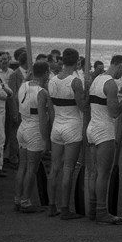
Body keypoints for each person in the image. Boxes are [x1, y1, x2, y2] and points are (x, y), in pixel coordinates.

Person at [86, 54, 122, 224]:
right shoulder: (110, 84)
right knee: (104, 173)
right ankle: (102, 211)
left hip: (92, 127)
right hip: (104, 129)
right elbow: (114, 112)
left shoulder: (96, 79)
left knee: (95, 172)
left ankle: (93, 207)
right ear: (118, 65)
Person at [47, 48, 86, 219]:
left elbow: (51, 105)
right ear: (77, 62)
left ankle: (51, 205)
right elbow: (82, 106)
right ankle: (64, 208)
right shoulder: (76, 81)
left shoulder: (52, 80)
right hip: (72, 125)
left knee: (55, 168)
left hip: (57, 125)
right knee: (68, 168)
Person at [14, 61, 52, 213]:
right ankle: (25, 201)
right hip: (34, 129)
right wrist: (46, 140)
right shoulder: (41, 92)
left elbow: (25, 82)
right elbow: (43, 119)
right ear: (45, 73)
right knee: (32, 168)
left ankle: (18, 199)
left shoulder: (24, 85)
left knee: (22, 166)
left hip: (23, 127)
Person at [6, 51, 29, 168]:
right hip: (18, 108)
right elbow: (11, 95)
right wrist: (14, 112)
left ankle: (22, 155)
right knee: (15, 133)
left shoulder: (30, 74)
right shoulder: (15, 75)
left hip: (27, 109)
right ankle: (13, 156)